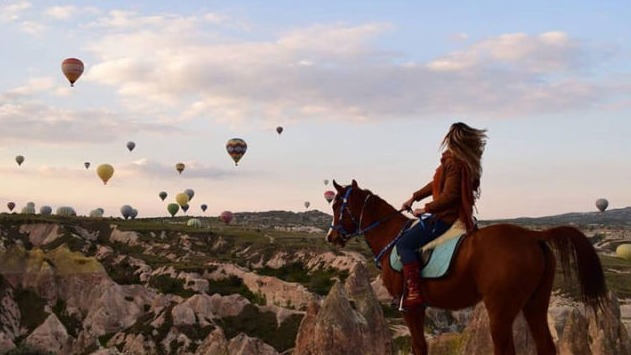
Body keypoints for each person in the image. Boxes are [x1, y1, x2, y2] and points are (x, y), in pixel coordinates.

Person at [398, 122, 487, 308]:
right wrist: (414, 197)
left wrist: (426, 208)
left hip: (445, 219)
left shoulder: (453, 163)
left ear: (452, 140)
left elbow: (450, 196)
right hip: (448, 216)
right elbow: (435, 185)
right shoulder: (459, 163)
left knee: (404, 244)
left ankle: (414, 293)